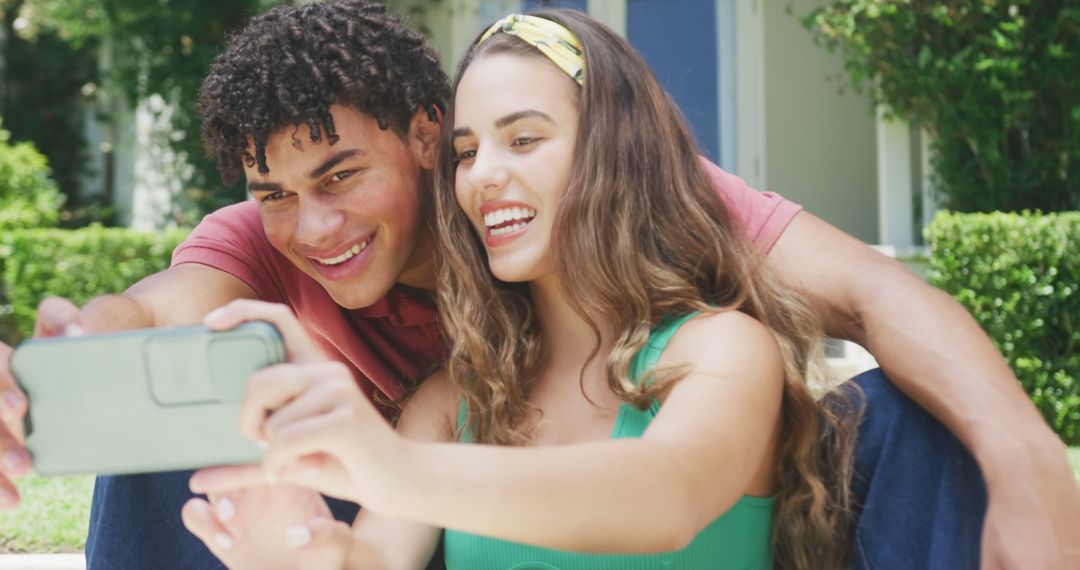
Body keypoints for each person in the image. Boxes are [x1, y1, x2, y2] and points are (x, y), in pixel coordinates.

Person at [0, 1, 1072, 568]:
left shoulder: (696, 307)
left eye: (341, 175)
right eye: (275, 192)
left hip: (586, 477)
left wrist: (1031, 474)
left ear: (423, 139)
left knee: (903, 413)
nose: (311, 226)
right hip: (411, 485)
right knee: (172, 444)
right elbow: (161, 307)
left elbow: (884, 301)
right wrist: (74, 350)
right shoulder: (441, 385)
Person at [182, 10, 869, 568]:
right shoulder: (453, 401)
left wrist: (392, 467)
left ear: (613, 148)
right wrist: (303, 551)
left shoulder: (720, 350)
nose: (481, 175)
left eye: (523, 139)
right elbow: (374, 561)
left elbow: (668, 497)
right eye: (466, 151)